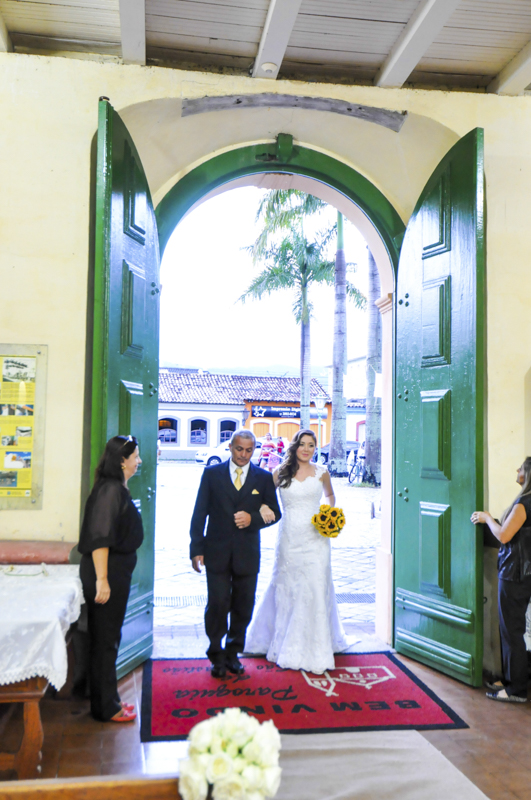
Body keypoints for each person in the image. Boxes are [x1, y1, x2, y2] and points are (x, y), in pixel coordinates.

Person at [245, 429, 348, 674]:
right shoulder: (280, 473)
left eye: (311, 445)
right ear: (295, 446)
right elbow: (259, 495)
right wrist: (261, 508)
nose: (306, 449)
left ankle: (317, 644)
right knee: (287, 585)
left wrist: (328, 513)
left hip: (317, 538)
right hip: (290, 537)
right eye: (302, 444)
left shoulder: (322, 472)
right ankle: (282, 640)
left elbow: (330, 495)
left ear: (315, 448)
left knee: (314, 585)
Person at [190, 429, 282, 678]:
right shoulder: (212, 474)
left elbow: (275, 512)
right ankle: (216, 653)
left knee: (243, 606)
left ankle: (233, 653)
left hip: (247, 554)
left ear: (254, 450)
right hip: (216, 551)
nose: (243, 455)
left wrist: (252, 518)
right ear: (230, 447)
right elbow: (200, 513)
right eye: (239, 449)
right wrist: (196, 548)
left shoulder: (263, 478)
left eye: (249, 450)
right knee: (218, 604)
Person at [78, 435, 143, 722]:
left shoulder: (116, 487)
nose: (139, 461)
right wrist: (102, 580)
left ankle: (107, 700)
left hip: (115, 570)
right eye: (135, 456)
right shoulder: (110, 491)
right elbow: (99, 539)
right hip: (107, 572)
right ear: (121, 461)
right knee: (105, 640)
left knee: (108, 637)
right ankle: (107, 708)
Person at [471, 457, 531, 703]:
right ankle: (509, 680)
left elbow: (504, 536)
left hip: (515, 573)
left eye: (521, 468)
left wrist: (488, 519)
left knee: (511, 630)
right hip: (524, 573)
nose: (516, 470)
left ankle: (516, 689)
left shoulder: (524, 503)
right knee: (512, 629)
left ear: (527, 474)